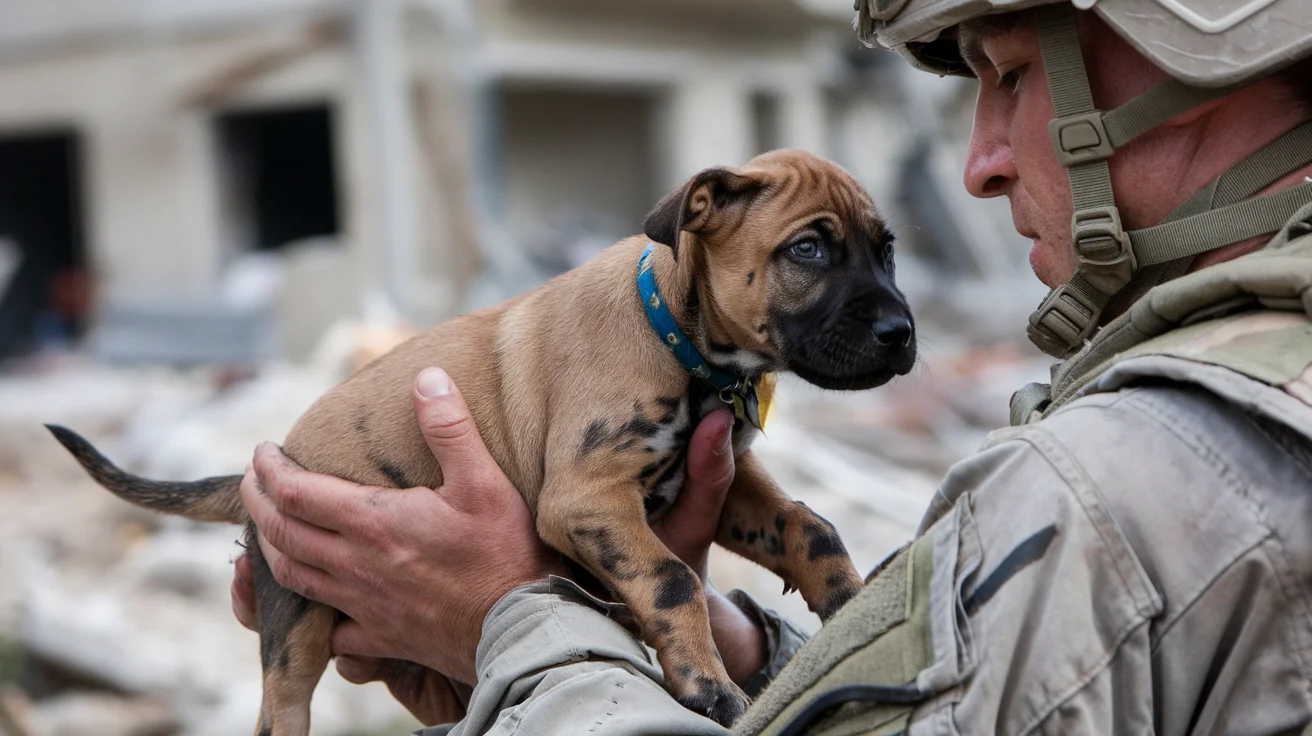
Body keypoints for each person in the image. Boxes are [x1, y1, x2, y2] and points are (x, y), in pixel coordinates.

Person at [231, 0, 1312, 732]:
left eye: (1016, 75)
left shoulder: (1108, 491)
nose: (980, 165)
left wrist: (515, 623)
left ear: (1205, 56)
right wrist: (744, 646)